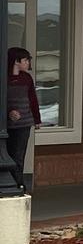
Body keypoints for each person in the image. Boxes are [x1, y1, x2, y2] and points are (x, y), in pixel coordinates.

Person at [7, 47, 41, 191]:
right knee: (7, 153)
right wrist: (8, 112)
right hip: (6, 124)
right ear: (16, 61)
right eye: (26, 60)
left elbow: (32, 99)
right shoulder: (4, 77)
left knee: (19, 154)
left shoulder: (26, 78)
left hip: (24, 123)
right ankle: (7, 183)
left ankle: (18, 183)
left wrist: (37, 119)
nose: (28, 63)